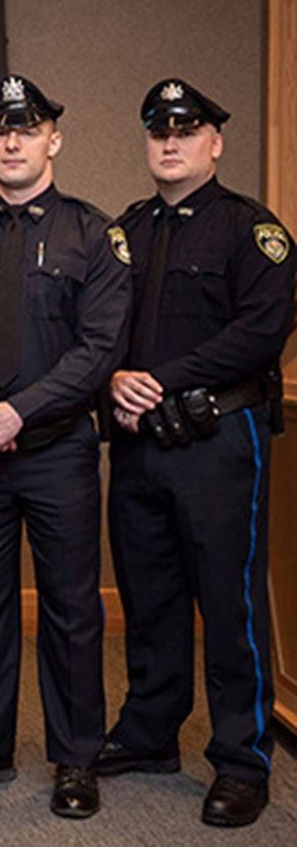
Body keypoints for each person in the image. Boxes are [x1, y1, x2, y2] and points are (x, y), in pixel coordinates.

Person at [0, 75, 130, 819]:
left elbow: (98, 349)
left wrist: (16, 411)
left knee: (73, 609)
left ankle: (75, 758)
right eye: (2, 129)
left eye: (29, 127)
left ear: (54, 140)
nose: (14, 140)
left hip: (54, 449)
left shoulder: (92, 233)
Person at [100, 78, 293, 828]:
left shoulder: (252, 230)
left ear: (215, 142)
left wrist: (160, 379)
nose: (171, 142)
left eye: (187, 129)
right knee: (148, 595)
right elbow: (103, 322)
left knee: (229, 599)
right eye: (158, 131)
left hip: (218, 439)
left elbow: (260, 330)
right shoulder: (128, 229)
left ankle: (242, 758)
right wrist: (114, 377)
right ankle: (150, 730)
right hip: (140, 441)